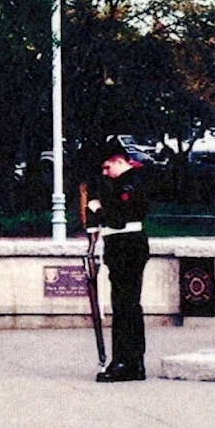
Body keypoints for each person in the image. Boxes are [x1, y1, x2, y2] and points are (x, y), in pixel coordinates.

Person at [86, 139, 151, 382]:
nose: (105, 173)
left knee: (126, 306)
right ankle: (131, 361)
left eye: (107, 167)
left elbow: (118, 220)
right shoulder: (119, 183)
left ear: (119, 161)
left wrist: (98, 209)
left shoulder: (131, 182)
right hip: (121, 246)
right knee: (126, 306)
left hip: (127, 245)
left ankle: (125, 362)